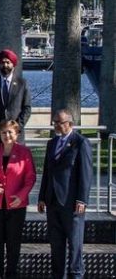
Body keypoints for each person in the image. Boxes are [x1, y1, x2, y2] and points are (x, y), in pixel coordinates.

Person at [38, 110, 93, 279]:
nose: (55, 125)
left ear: (70, 123)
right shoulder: (52, 143)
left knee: (75, 244)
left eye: (59, 122)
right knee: (56, 244)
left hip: (72, 202)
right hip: (53, 201)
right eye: (54, 122)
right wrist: (41, 197)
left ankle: (76, 274)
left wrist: (82, 199)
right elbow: (47, 171)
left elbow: (86, 172)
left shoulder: (80, 142)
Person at [0, 119, 36, 279]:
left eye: (10, 132)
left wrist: (22, 195)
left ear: (17, 134)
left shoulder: (24, 152)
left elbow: (30, 177)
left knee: (13, 241)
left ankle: (11, 273)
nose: (7, 135)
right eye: (3, 132)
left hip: (16, 203)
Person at [0, 49, 32, 146]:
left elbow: (27, 108)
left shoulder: (22, 83)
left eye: (8, 62)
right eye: (2, 63)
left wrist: (16, 128)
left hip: (16, 136)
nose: (5, 65)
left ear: (13, 64)